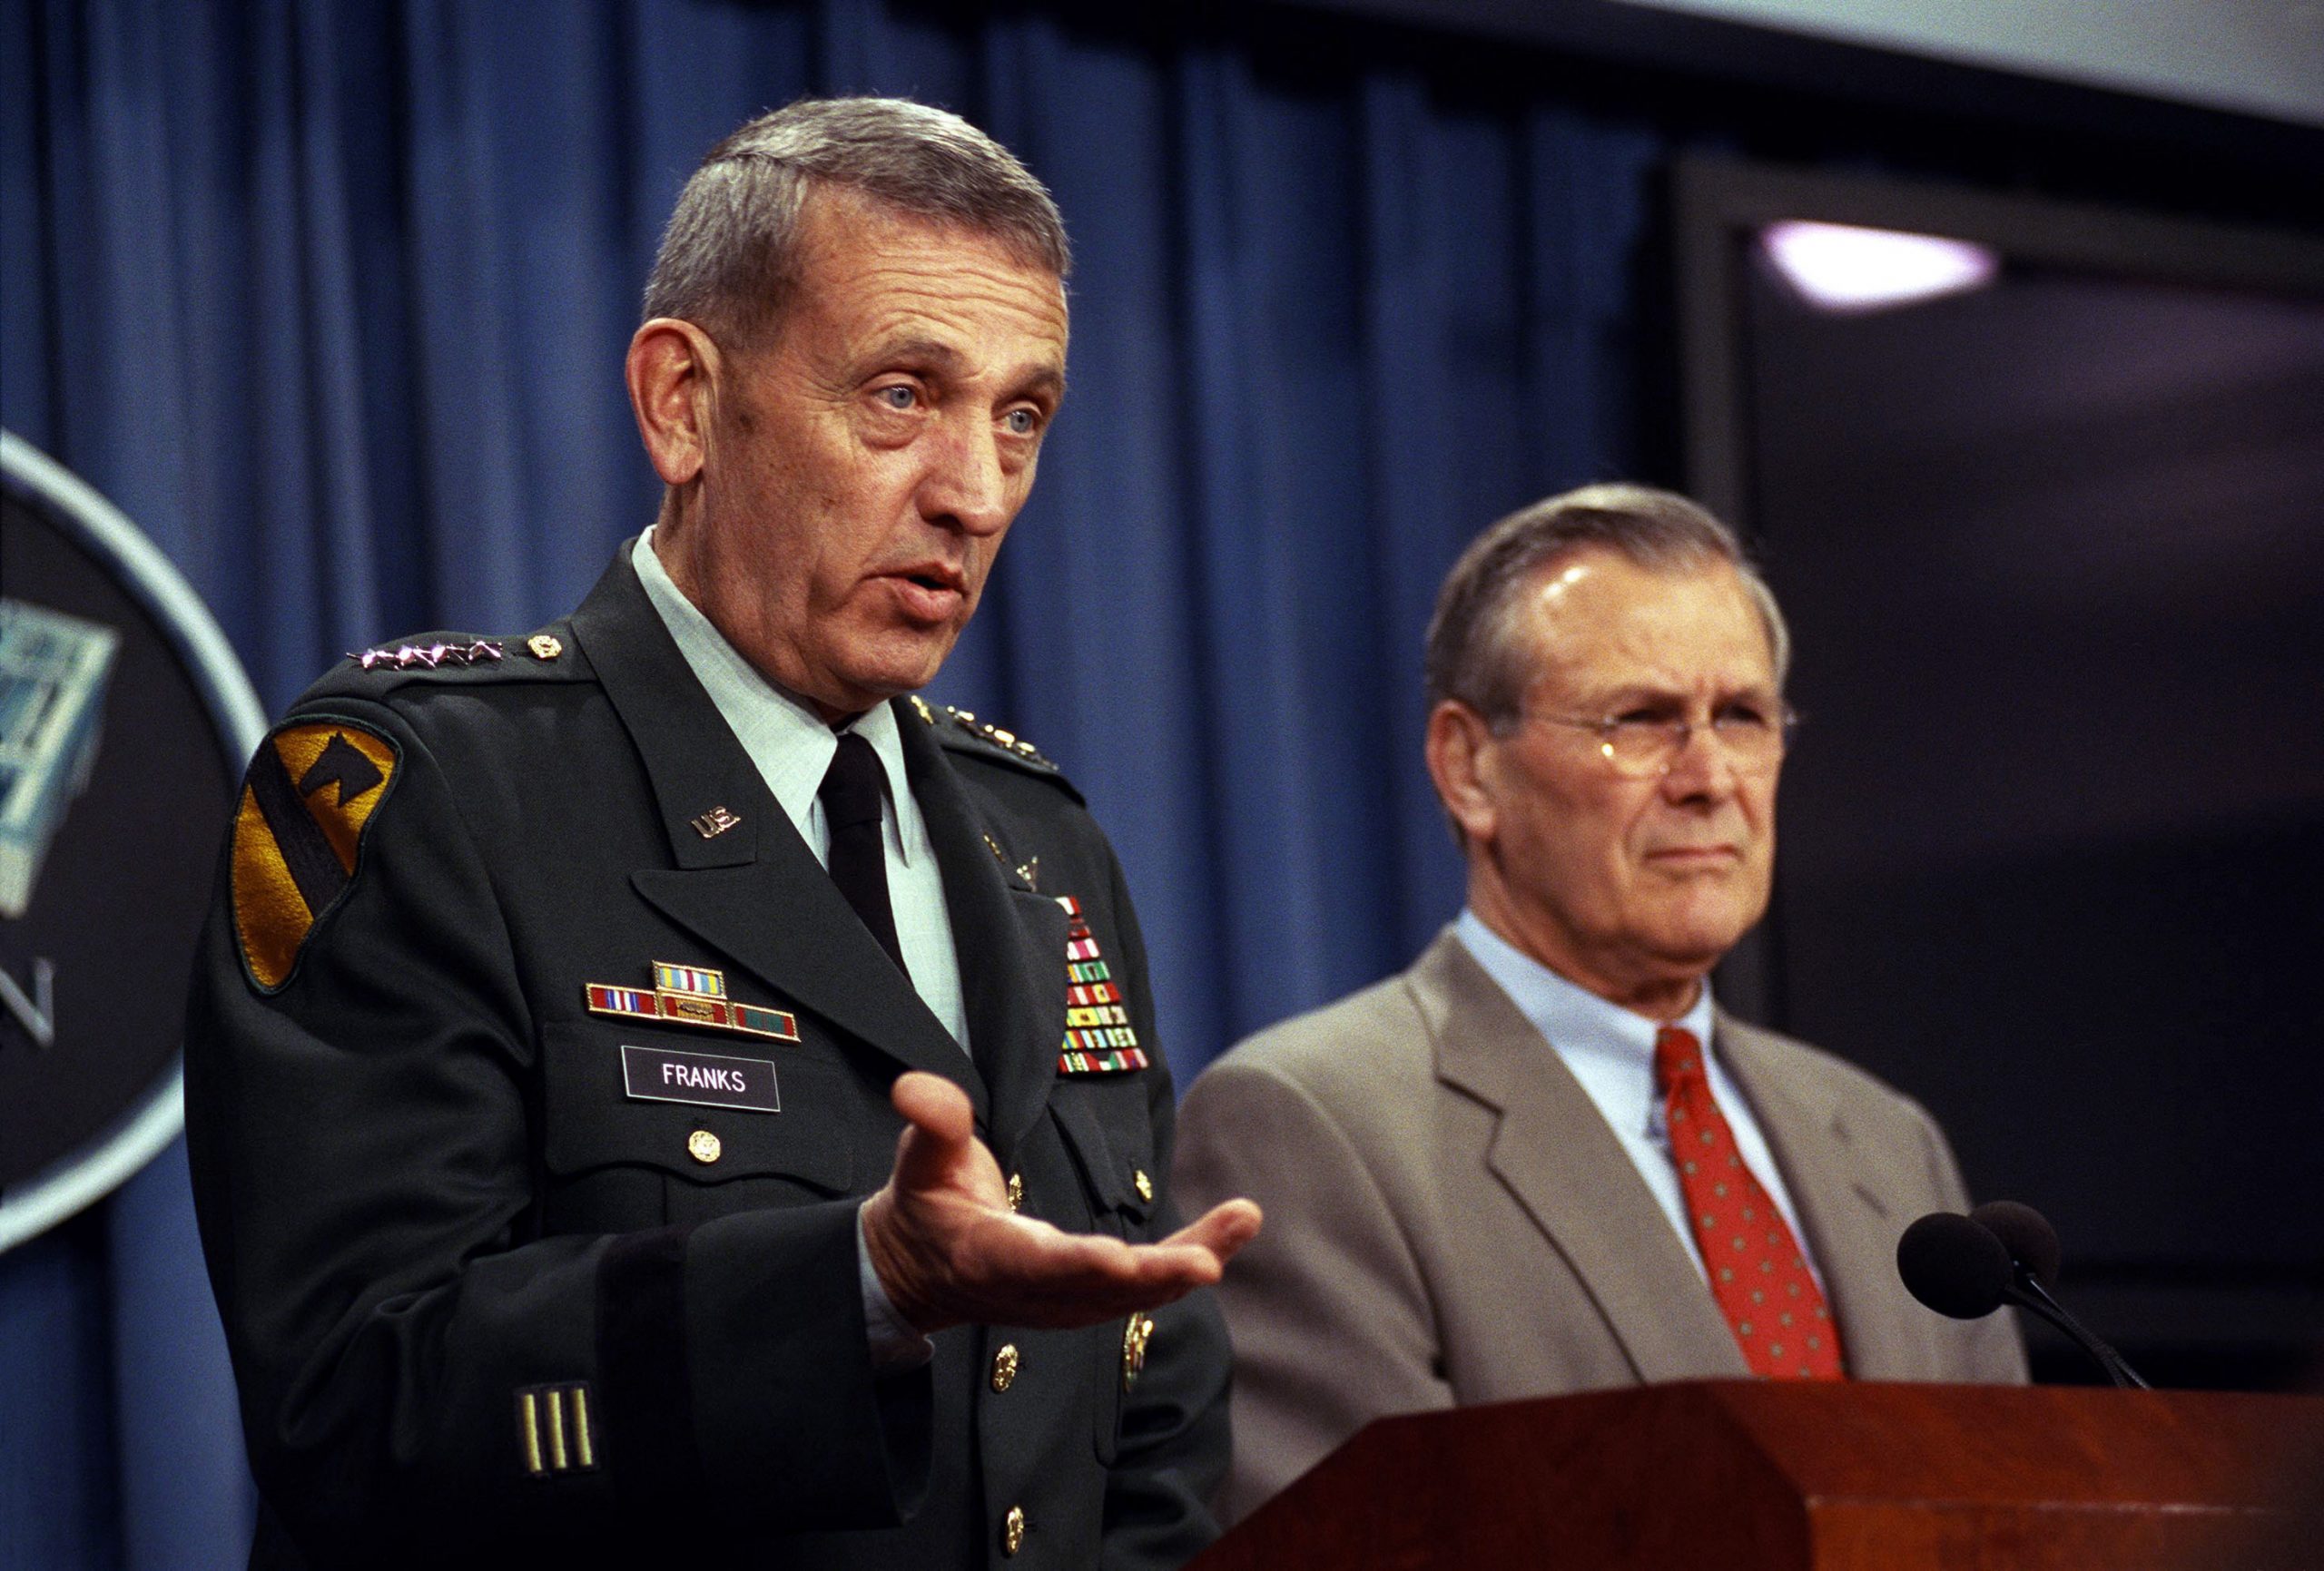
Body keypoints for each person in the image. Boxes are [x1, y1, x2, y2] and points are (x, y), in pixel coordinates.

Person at [185, 97, 1258, 1570]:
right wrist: (859, 1286)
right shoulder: (420, 788)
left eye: (1020, 414)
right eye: (901, 394)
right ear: (684, 402)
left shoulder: (1040, 837)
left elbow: (1157, 1416)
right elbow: (358, 1408)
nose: (976, 492)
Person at [1172, 482, 2024, 1525]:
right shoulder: (1309, 1127)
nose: (1709, 776)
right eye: (1641, 720)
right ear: (1468, 767)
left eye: (1743, 717)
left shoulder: (1889, 1145)